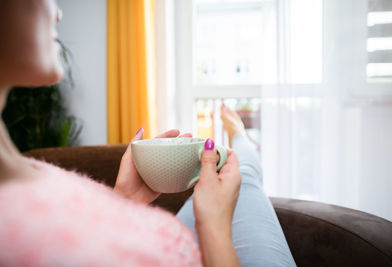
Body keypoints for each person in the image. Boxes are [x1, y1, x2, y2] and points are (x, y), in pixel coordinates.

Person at [0, 0, 295, 266]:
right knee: (246, 172)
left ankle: (240, 140)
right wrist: (215, 230)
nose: (59, 12)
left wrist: (125, 200)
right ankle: (240, 137)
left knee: (241, 170)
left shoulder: (24, 169)